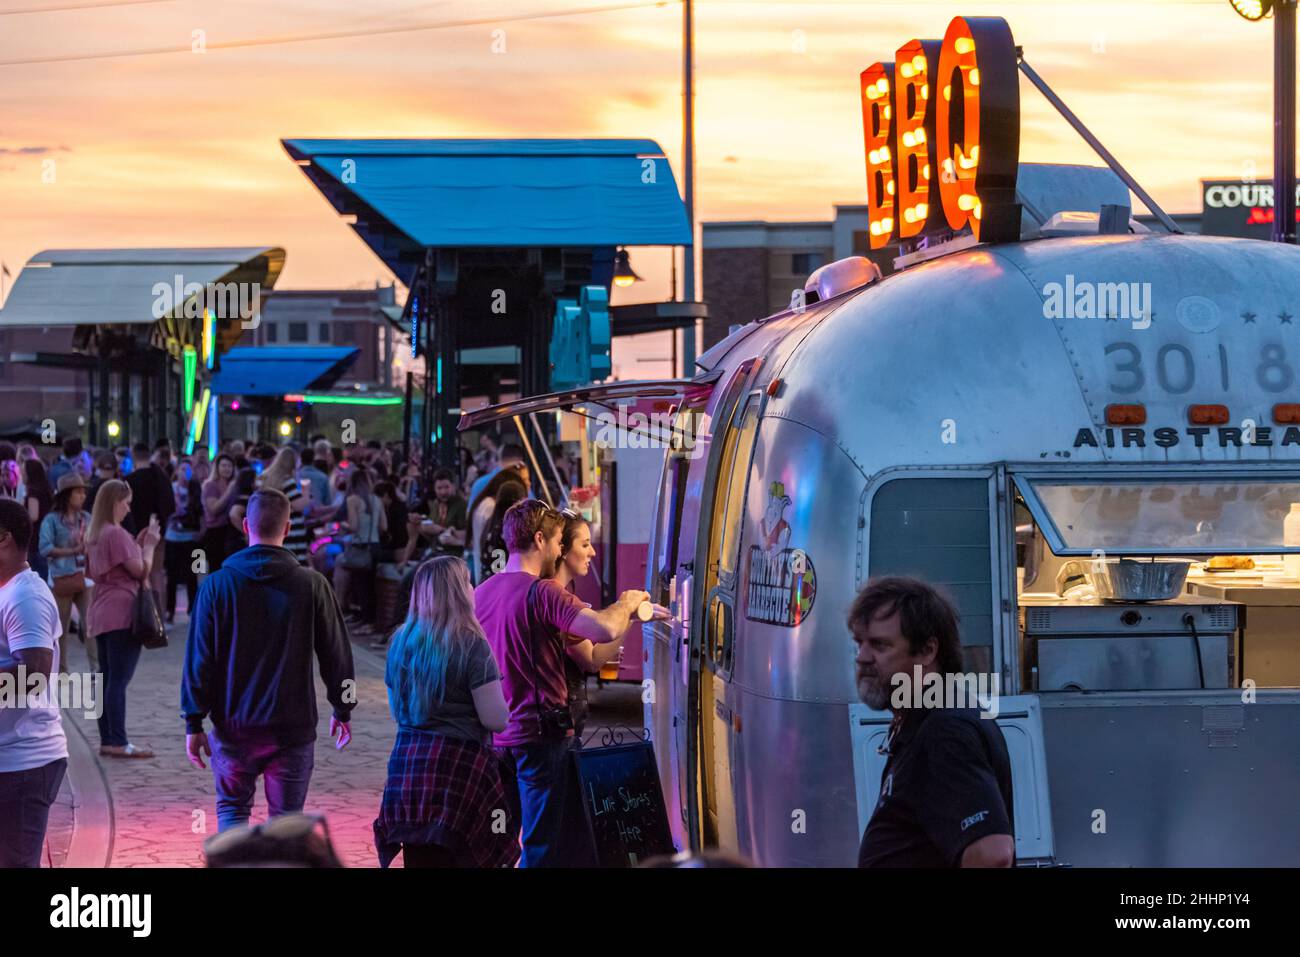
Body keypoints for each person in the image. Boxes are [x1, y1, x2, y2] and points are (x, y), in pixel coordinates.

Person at [474, 498, 651, 867]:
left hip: (497, 737)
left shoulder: (482, 592)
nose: (559, 550)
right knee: (542, 846)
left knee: (501, 842)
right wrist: (627, 602)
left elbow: (588, 655)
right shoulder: (544, 592)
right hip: (540, 735)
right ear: (540, 540)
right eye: (557, 541)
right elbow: (603, 628)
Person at [182, 488, 355, 832]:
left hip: (234, 726)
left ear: (246, 525)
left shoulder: (216, 587)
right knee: (287, 824)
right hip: (291, 726)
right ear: (288, 528)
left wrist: (194, 721)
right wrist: (342, 707)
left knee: (232, 811)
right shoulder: (312, 585)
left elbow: (200, 659)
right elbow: (336, 652)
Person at [850, 576, 1015, 868]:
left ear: (928, 650)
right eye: (859, 643)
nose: (862, 657)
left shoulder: (946, 729)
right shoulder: (922, 718)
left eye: (879, 645)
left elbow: (993, 854)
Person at [373, 556, 518, 868]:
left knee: (421, 859)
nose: (472, 587)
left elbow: (397, 708)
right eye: (467, 581)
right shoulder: (472, 645)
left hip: (408, 769)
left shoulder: (401, 641)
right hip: (458, 773)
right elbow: (495, 719)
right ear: (456, 592)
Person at [0, 499, 69, 867]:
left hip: (23, 762)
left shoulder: (25, 595)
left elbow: (33, 676)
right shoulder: (8, 589)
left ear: (4, 539)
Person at [86, 479, 159, 759]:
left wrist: (138, 544)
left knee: (106, 678)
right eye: (126, 503)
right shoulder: (115, 534)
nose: (128, 509)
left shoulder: (95, 533)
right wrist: (150, 545)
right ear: (114, 502)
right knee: (118, 679)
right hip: (122, 610)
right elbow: (141, 570)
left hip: (102, 609)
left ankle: (108, 738)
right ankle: (117, 740)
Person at [549, 510, 624, 737]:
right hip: (562, 717)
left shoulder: (556, 594)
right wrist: (628, 615)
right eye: (585, 545)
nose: (592, 551)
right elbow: (591, 660)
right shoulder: (557, 599)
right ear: (562, 550)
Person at [39, 473, 97, 672]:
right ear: (67, 495)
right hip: (61, 579)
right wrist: (72, 550)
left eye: (83, 492)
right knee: (60, 629)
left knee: (91, 624)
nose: (83, 495)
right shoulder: (52, 520)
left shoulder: (87, 518)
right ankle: (61, 669)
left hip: (85, 577)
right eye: (78, 492)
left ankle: (96, 668)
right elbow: (45, 548)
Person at [333, 468, 386, 627]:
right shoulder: (377, 499)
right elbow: (384, 526)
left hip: (360, 547)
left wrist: (342, 524)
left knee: (360, 584)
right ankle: (368, 620)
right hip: (375, 546)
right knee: (369, 585)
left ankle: (362, 618)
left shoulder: (353, 500)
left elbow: (354, 526)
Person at [125, 440, 173, 604]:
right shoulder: (161, 478)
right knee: (157, 573)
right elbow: (170, 505)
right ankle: (160, 614)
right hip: (157, 530)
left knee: (139, 574)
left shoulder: (129, 480)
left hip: (134, 533)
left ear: (133, 456)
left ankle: (144, 615)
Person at [466, 464, 530, 585]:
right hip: (499, 584)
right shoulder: (503, 525)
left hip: (488, 582)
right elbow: (500, 566)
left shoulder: (495, 521)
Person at [164, 459, 203, 624]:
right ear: (177, 471)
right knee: (171, 576)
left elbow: (202, 513)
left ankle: (193, 609)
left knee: (194, 574)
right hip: (173, 537)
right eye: (182, 469)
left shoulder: (196, 490)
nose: (185, 472)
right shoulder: (171, 490)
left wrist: (202, 532)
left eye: (188, 469)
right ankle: (170, 610)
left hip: (192, 538)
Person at [258, 448, 309, 565]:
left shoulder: (264, 478)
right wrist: (306, 490)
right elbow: (298, 506)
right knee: (293, 563)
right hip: (292, 529)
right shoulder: (287, 481)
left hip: (272, 526)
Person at [477, 480, 527, 582]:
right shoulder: (509, 525)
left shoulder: (491, 523)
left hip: (487, 582)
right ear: (518, 501)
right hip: (501, 583)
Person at [199, 454, 240, 575]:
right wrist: (229, 490)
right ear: (217, 468)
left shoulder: (234, 485)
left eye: (229, 466)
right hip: (215, 532)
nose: (227, 469)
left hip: (231, 532)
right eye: (223, 466)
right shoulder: (210, 485)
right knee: (216, 570)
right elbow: (214, 509)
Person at [467, 441, 525, 508]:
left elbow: (470, 514)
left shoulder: (480, 483)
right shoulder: (522, 482)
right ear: (521, 462)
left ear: (499, 460)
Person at [22, 458, 53, 581]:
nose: (22, 475)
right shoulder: (45, 490)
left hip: (35, 540)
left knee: (38, 574)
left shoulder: (33, 492)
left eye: (24, 472)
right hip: (45, 536)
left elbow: (33, 516)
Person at [298, 446, 330, 514]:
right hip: (319, 515)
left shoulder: (296, 477)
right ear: (313, 459)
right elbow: (327, 501)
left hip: (300, 515)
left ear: (301, 460)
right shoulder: (323, 477)